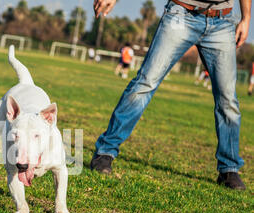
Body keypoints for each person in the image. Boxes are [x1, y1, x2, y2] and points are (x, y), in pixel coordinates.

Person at [91, 0, 251, 190]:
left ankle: (229, 168)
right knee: (145, 83)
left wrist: (246, 17)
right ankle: (105, 152)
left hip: (222, 21)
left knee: (228, 100)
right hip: (181, 14)